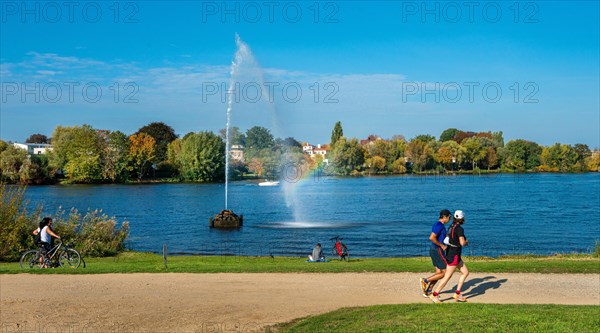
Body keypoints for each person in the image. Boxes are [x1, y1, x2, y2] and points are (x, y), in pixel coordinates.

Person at [429, 210, 469, 303]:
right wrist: (466, 242)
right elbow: (462, 242)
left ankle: (457, 293)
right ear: (462, 218)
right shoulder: (459, 229)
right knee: (447, 276)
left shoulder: (451, 226)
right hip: (454, 255)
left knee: (465, 272)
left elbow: (448, 238)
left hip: (454, 253)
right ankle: (435, 294)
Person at [419, 209, 452, 297]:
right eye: (449, 217)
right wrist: (442, 245)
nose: (449, 219)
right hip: (437, 250)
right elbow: (432, 237)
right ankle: (425, 280)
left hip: (434, 249)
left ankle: (428, 291)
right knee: (445, 272)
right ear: (444, 217)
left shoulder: (438, 225)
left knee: (438, 273)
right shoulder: (439, 225)